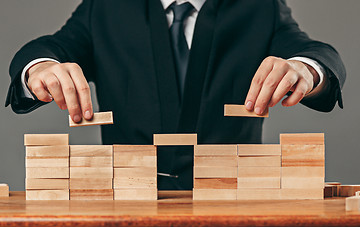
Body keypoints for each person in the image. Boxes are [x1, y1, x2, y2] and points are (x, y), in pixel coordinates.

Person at [6, 0, 346, 190]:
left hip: (233, 208)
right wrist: (41, 67)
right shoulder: (105, 8)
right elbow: (47, 48)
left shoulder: (260, 8)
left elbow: (315, 53)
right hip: (127, 207)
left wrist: (306, 68)